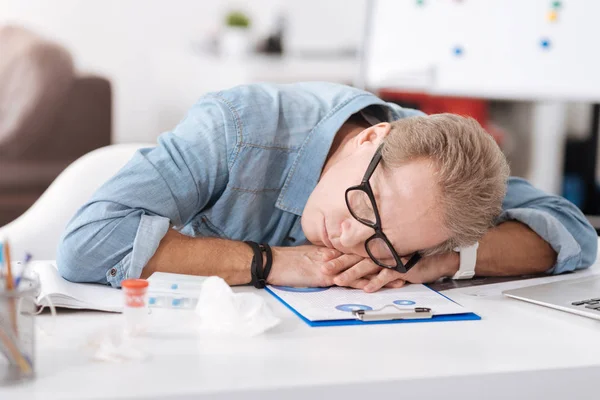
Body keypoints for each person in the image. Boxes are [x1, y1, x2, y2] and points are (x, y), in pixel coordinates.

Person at [56, 82, 597, 292]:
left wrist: (444, 261)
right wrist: (272, 262)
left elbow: (575, 233)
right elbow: (86, 245)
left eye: (384, 243)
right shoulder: (239, 127)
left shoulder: (450, 176)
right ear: (371, 139)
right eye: (366, 206)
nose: (347, 239)